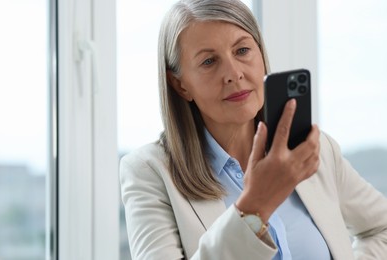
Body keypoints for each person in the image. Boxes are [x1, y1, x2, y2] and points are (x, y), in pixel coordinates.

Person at [119, 0, 387, 259]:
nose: (234, 73)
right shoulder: (149, 173)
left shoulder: (312, 149)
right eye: (209, 61)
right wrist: (255, 207)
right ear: (180, 85)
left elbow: (381, 229)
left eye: (242, 51)